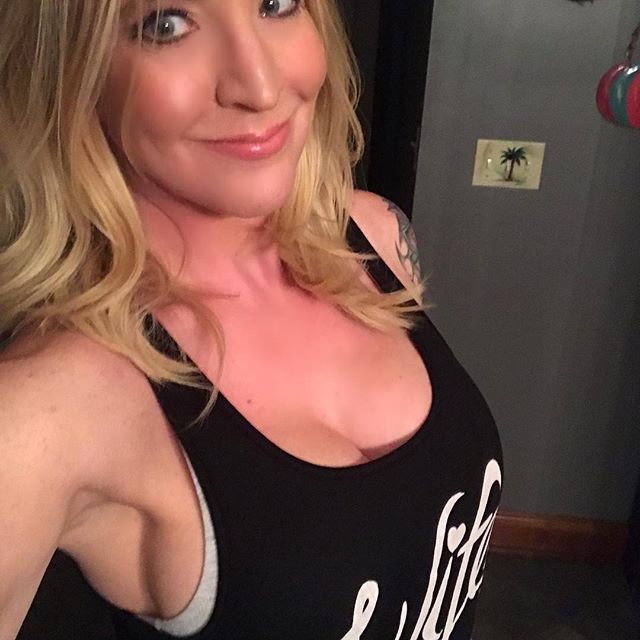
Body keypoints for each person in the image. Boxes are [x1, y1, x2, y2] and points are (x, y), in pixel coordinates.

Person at [0, 1, 503, 638]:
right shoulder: (45, 411)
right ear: (72, 71)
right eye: (166, 25)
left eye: (275, 2)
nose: (260, 86)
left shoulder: (376, 238)